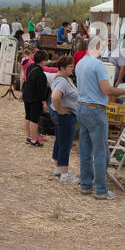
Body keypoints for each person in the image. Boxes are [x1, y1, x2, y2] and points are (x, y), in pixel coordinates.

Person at [76, 36, 125, 199]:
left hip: (81, 107)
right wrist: (124, 91)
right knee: (101, 152)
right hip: (95, 109)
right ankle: (101, 190)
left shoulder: (80, 63)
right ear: (98, 47)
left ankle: (86, 185)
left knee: (85, 150)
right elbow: (106, 90)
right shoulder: (98, 65)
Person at [49, 56, 80, 184]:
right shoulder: (62, 81)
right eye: (70, 67)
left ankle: (58, 167)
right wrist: (60, 109)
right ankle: (65, 174)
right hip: (65, 116)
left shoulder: (64, 78)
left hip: (61, 114)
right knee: (65, 144)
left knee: (60, 140)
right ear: (62, 68)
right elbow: (55, 96)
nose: (72, 69)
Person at [22, 50, 50, 147]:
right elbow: (41, 91)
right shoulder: (40, 73)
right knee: (34, 120)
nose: (47, 61)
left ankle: (29, 137)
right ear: (42, 61)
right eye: (46, 59)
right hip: (35, 98)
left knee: (28, 117)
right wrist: (44, 103)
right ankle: (34, 141)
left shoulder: (30, 67)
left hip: (27, 95)